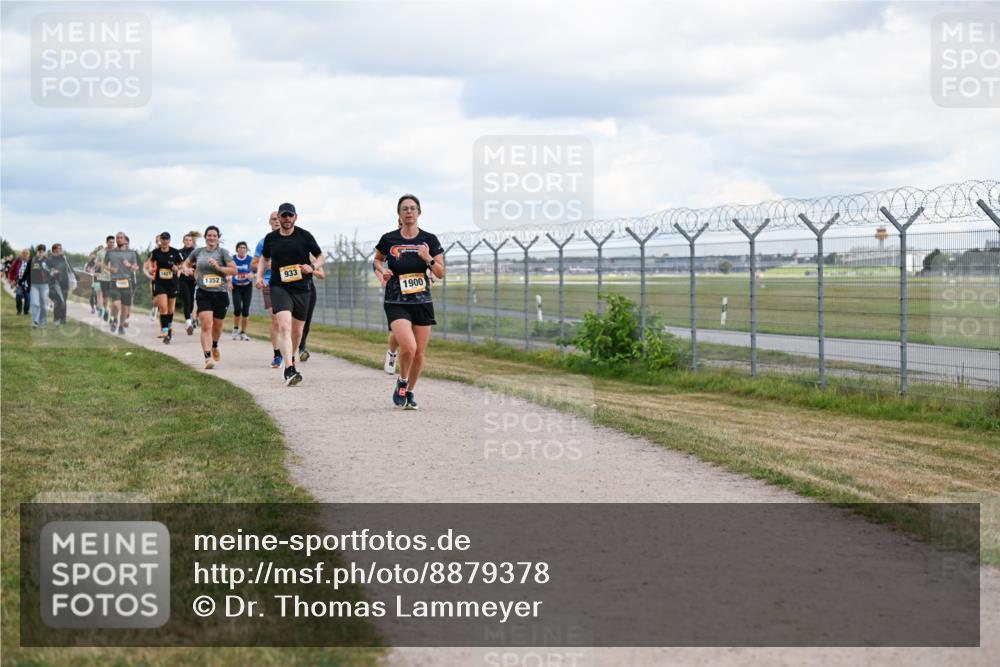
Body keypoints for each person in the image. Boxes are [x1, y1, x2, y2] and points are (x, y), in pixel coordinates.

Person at [373, 194, 445, 409]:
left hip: (422, 301)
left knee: (420, 353)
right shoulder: (389, 239)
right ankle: (402, 381)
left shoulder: (429, 240)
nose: (409, 212)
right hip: (396, 300)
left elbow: (440, 273)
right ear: (399, 214)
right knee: (409, 347)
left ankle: (409, 391)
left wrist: (428, 259)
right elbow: (377, 260)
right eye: (404, 208)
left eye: (413, 208)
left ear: (419, 212)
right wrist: (382, 272)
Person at [256, 202, 322, 387]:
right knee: (283, 326)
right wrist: (260, 275)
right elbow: (264, 258)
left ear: (295, 217)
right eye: (283, 216)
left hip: (302, 288)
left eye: (289, 216)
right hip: (279, 287)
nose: (286, 219)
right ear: (279, 218)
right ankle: (289, 368)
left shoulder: (305, 236)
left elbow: (320, 256)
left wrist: (313, 266)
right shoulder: (271, 238)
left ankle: (290, 358)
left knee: (297, 331)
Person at [182, 225, 236, 369]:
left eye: (214, 235)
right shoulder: (198, 252)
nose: (212, 238)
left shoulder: (223, 253)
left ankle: (215, 345)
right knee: (206, 325)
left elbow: (234, 269)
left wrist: (218, 267)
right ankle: (207, 358)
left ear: (218, 238)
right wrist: (186, 269)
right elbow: (186, 263)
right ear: (205, 237)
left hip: (220, 293)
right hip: (203, 292)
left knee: (217, 327)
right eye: (209, 235)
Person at [252, 212, 283, 368]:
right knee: (275, 319)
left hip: (288, 283)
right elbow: (253, 264)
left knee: (289, 320)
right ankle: (277, 354)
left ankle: (290, 350)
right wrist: (265, 266)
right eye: (274, 219)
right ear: (269, 222)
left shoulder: (290, 239)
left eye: (279, 218)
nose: (277, 221)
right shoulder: (263, 242)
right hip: (270, 283)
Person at [144, 232, 184, 344]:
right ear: (160, 240)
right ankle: (165, 331)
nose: (165, 241)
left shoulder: (175, 252)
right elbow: (151, 261)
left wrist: (178, 267)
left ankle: (169, 327)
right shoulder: (155, 252)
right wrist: (151, 268)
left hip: (172, 283)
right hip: (160, 283)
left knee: (171, 309)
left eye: (167, 239)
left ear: (169, 240)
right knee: (163, 307)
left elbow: (183, 264)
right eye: (163, 239)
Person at [104, 232, 141, 335]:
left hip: (127, 282)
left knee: (125, 307)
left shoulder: (131, 253)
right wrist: (110, 269)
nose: (119, 239)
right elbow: (104, 264)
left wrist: (129, 266)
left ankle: (120, 326)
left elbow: (136, 267)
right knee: (116, 304)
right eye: (117, 238)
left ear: (125, 240)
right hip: (114, 282)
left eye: (121, 238)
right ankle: (115, 319)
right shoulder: (111, 252)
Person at [296, 254, 325, 362]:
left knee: (306, 322)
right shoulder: (288, 253)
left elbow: (322, 275)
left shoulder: (311, 258)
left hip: (308, 290)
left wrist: (309, 270)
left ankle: (302, 348)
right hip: (290, 291)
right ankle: (285, 350)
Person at [230, 241, 254, 341]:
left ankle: (243, 332)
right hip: (236, 286)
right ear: (237, 249)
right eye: (240, 247)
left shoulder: (250, 259)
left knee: (245, 310)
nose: (242, 249)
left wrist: (252, 275)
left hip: (247, 286)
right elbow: (229, 271)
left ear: (246, 249)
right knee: (237, 309)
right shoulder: (233, 259)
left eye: (244, 248)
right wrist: (229, 281)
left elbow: (256, 271)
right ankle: (235, 329)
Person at [89, 235, 115, 321]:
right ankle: (106, 310)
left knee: (114, 297)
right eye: (110, 242)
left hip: (115, 278)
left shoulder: (116, 251)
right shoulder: (100, 252)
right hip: (104, 278)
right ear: (107, 242)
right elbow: (97, 263)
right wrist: (104, 265)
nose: (112, 244)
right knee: (105, 297)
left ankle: (112, 315)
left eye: (113, 242)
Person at [27, 244, 52, 328]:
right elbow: (27, 272)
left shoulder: (48, 261)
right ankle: (35, 322)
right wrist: (19, 282)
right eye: (39, 251)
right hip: (34, 285)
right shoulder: (32, 260)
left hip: (44, 285)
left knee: (44, 305)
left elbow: (51, 272)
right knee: (35, 304)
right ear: (36, 251)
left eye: (42, 252)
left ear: (44, 252)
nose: (40, 253)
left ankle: (43, 322)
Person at [48, 243, 72, 325]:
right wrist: (53, 272)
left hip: (65, 282)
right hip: (55, 283)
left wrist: (76, 276)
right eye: (59, 248)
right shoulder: (50, 259)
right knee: (58, 301)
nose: (61, 249)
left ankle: (63, 319)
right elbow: (47, 270)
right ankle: (56, 319)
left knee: (63, 301)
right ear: (54, 250)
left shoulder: (64, 258)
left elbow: (70, 268)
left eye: (61, 248)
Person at [9, 249, 31, 316]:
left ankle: (26, 312)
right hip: (19, 282)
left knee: (28, 298)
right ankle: (19, 311)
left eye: (26, 253)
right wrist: (12, 280)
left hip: (28, 283)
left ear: (29, 255)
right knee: (18, 295)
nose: (25, 254)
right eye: (23, 253)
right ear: (21, 254)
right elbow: (11, 270)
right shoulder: (18, 261)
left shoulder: (31, 262)